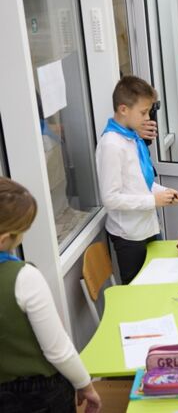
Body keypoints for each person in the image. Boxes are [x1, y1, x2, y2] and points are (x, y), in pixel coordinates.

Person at [0, 177, 102, 413]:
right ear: (6, 238)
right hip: (37, 395)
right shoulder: (24, 278)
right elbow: (57, 350)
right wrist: (85, 384)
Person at [96, 76, 178, 285]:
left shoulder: (132, 138)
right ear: (123, 109)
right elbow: (110, 198)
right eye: (143, 112)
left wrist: (164, 192)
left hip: (147, 226)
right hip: (129, 235)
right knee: (139, 290)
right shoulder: (111, 145)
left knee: (159, 283)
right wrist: (154, 200)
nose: (147, 118)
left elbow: (140, 182)